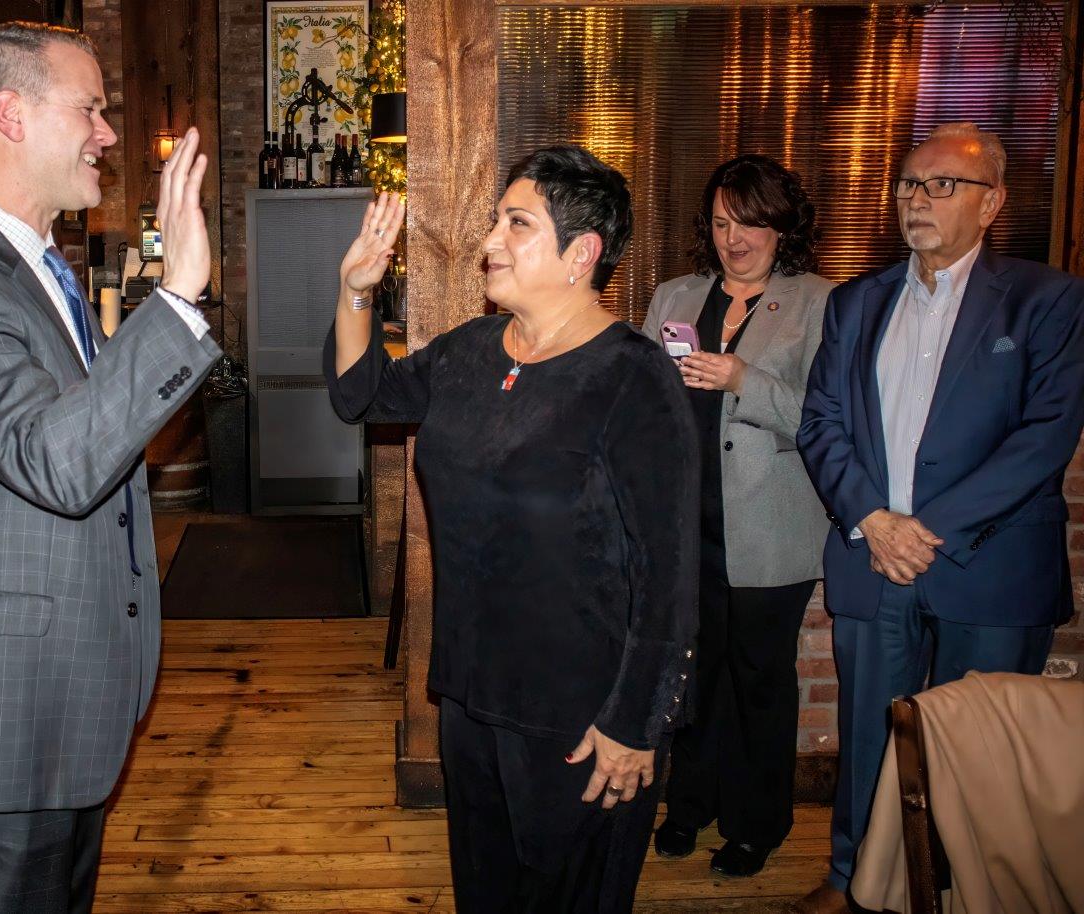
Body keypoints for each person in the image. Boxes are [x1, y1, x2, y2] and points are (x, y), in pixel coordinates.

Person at [0, 22, 220, 914]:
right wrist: (177, 299)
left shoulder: (40, 271)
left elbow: (92, 436)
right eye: (91, 109)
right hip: (14, 704)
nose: (107, 133)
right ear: (11, 115)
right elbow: (58, 463)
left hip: (73, 687)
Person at [326, 146, 698, 911]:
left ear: (581, 254)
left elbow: (670, 573)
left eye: (516, 223)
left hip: (583, 716)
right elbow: (360, 397)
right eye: (498, 219)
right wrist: (355, 291)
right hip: (472, 696)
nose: (490, 239)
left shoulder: (632, 378)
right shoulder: (468, 352)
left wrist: (636, 723)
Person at [795, 121, 1084, 914]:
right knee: (870, 737)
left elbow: (1044, 436)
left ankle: (963, 891)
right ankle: (856, 878)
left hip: (986, 566)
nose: (916, 201)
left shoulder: (1048, 299)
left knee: (979, 748)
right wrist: (874, 521)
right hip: (873, 556)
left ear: (991, 203)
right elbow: (821, 421)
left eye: (940, 185)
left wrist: (926, 531)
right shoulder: (857, 301)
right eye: (907, 186)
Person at [641, 155, 832, 878]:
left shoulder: (819, 301)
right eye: (722, 222)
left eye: (750, 221)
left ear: (782, 226)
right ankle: (689, 805)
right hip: (691, 529)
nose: (735, 237)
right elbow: (652, 403)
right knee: (694, 676)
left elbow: (823, 417)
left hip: (770, 531)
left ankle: (757, 824)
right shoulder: (675, 297)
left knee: (758, 680)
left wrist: (744, 379)